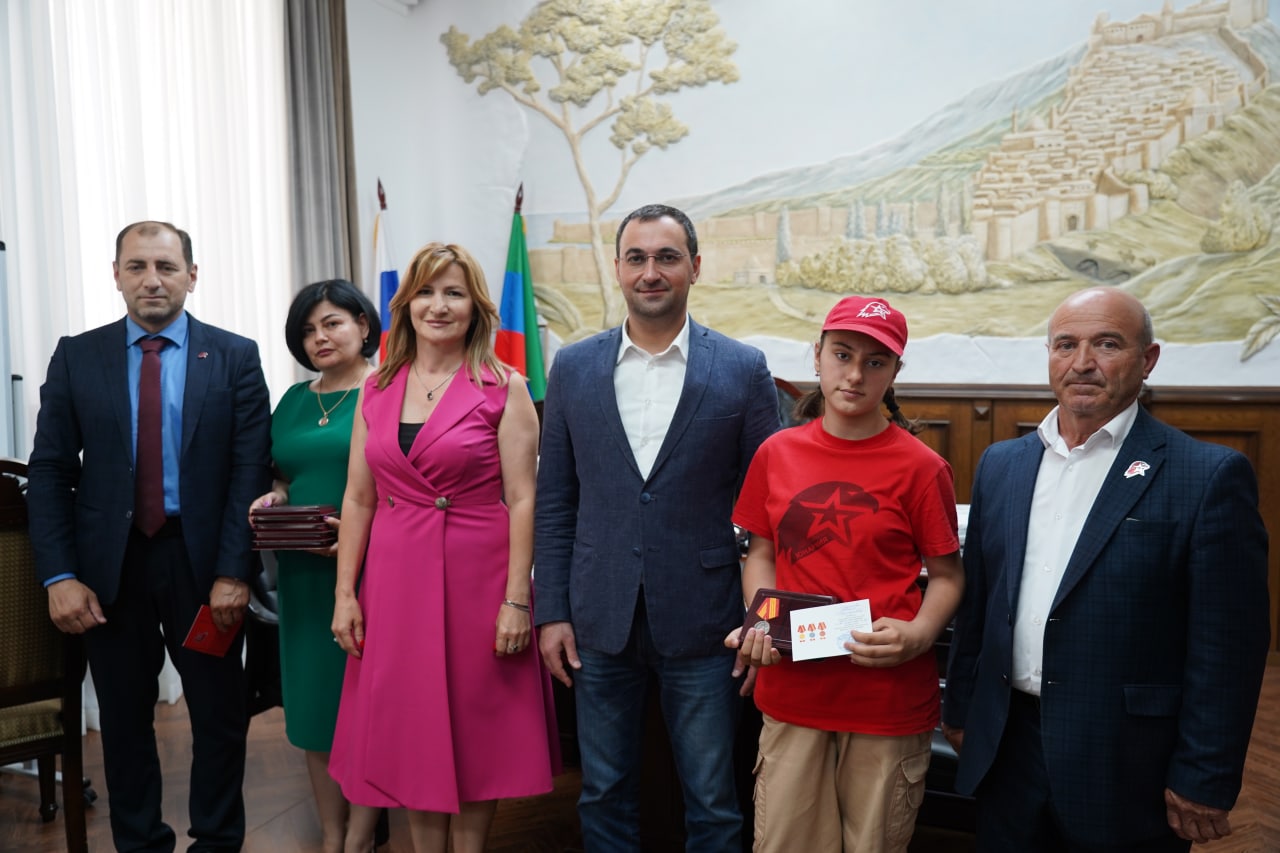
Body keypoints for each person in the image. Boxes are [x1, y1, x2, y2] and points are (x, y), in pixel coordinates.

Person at [942, 286, 1270, 852]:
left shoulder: (1206, 476)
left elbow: (1228, 647)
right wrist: (962, 707)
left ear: (1148, 360)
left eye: (1108, 344)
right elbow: (980, 604)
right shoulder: (1003, 464)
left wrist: (1205, 774)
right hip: (1007, 747)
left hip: (1125, 761)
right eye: (1065, 344)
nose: (1082, 363)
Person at [534, 203, 780, 852]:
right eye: (637, 258)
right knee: (603, 793)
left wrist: (764, 621)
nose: (651, 272)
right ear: (617, 268)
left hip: (708, 620)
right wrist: (551, 611)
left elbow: (773, 512)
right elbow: (555, 501)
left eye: (667, 257)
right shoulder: (574, 368)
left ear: (694, 267)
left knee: (714, 800)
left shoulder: (742, 368)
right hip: (598, 618)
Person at [27, 220, 272, 852]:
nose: (152, 280)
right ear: (116, 276)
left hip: (203, 565)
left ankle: (216, 841)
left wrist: (234, 571)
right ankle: (140, 844)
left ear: (192, 275)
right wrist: (59, 575)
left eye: (166, 266)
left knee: (218, 716)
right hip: (109, 569)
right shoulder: (78, 356)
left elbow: (248, 471)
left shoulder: (235, 355)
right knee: (123, 720)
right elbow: (50, 472)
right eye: (136, 266)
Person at [328, 241, 559, 853]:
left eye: (454, 293)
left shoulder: (504, 387)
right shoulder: (376, 388)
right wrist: (345, 593)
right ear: (406, 305)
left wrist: (517, 600)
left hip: (479, 579)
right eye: (426, 292)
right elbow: (358, 498)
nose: (439, 305)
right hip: (394, 582)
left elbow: (524, 499)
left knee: (476, 726)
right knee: (411, 728)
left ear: (475, 307)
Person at [728, 295, 964, 853]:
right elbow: (760, 552)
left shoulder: (922, 468)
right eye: (842, 355)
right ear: (817, 356)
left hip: (886, 698)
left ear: (895, 372)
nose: (855, 375)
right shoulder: (776, 453)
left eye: (874, 362)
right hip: (794, 691)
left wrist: (920, 633)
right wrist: (761, 621)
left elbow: (948, 576)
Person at [249, 279, 382, 853]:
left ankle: (361, 835)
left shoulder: (390, 389)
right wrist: (275, 497)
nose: (319, 338)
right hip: (303, 573)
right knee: (313, 709)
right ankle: (331, 835)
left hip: (373, 569)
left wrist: (356, 532)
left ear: (363, 325)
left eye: (332, 323)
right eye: (308, 330)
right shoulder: (293, 399)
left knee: (368, 707)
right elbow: (284, 473)